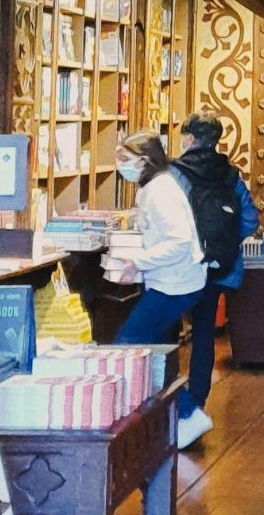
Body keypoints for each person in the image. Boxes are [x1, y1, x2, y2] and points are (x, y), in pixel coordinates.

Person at [112, 128, 211, 447]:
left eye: (125, 158)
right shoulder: (155, 187)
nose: (121, 165)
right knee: (148, 348)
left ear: (144, 161)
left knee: (129, 344)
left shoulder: (159, 191)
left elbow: (179, 241)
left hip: (175, 284)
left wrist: (138, 262)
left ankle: (186, 412)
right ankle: (173, 416)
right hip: (173, 281)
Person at [167, 115, 260, 449]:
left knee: (166, 331)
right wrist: (224, 242)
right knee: (204, 333)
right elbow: (250, 218)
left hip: (181, 266)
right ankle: (197, 402)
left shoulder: (175, 173)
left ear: (190, 138)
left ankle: (168, 405)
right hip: (218, 266)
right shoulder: (231, 174)